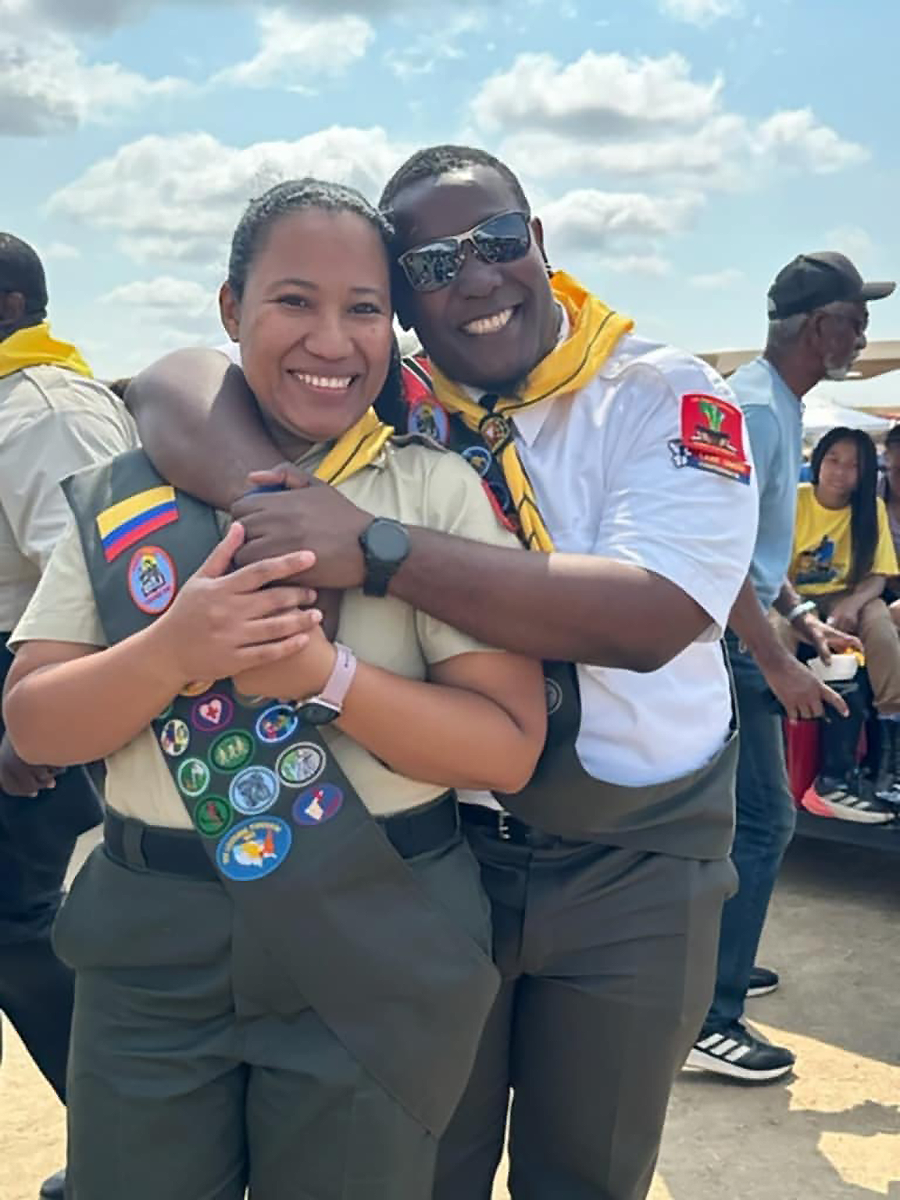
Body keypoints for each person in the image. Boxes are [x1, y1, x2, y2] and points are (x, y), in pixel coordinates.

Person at [125, 145, 758, 1200]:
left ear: (542, 246)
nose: (474, 276)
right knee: (417, 1163)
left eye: (499, 242)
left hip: (634, 864)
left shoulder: (661, 395)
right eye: (429, 263)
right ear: (402, 304)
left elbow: (654, 617)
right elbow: (170, 382)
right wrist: (279, 508)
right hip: (435, 857)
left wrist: (372, 546)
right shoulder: (389, 404)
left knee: (585, 1175)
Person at [3, 179, 546, 1200]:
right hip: (152, 938)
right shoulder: (132, 495)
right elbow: (36, 721)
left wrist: (326, 676)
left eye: (365, 309)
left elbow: (505, 744)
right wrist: (171, 651)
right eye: (293, 301)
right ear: (229, 311)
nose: (330, 341)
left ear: (395, 325)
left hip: (373, 925)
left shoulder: (429, 491)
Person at [687, 251, 895, 1084]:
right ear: (821, 328)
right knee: (767, 823)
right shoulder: (758, 414)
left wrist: (808, 623)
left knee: (744, 824)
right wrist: (776, 661)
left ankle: (719, 970)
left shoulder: (768, 404)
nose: (865, 333)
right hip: (730, 647)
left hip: (748, 636)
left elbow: (765, 558)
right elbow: (720, 555)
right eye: (857, 319)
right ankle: (711, 1015)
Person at [0, 233, 137, 1200]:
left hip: (24, 687)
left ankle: (133, 1147)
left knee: (20, 933)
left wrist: (27, 724)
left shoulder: (46, 409)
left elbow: (98, 579)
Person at [774, 426, 900, 822]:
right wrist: (804, 615)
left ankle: (891, 731)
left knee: (879, 618)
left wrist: (853, 602)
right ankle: (773, 723)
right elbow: (774, 574)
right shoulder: (795, 501)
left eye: (853, 465)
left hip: (847, 599)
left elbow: (878, 577)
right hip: (792, 600)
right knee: (775, 628)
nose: (841, 471)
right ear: (818, 460)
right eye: (833, 459)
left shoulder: (870, 511)